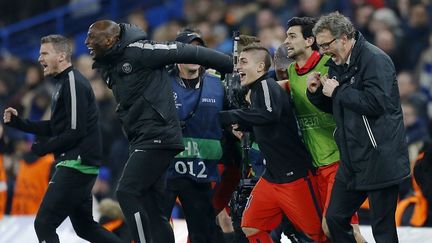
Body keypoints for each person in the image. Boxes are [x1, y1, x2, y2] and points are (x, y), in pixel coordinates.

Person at [85, 20, 233, 243]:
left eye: (91, 37)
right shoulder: (109, 63)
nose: (86, 42)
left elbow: (183, 51)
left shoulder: (139, 51)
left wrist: (230, 65)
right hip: (141, 138)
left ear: (109, 40)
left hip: (158, 136)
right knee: (153, 209)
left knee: (127, 192)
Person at [3, 35, 122, 243]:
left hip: (76, 163)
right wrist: (19, 123)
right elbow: (56, 127)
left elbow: (75, 131)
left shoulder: (73, 82)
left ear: (61, 56)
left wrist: (43, 148)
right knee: (85, 228)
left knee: (44, 223)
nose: (40, 59)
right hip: (77, 163)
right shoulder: (62, 84)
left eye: (44, 53)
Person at [307, 12, 410, 243]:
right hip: (352, 159)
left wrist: (337, 91)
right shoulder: (337, 62)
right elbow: (340, 106)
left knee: (382, 229)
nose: (323, 52)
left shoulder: (375, 59)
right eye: (320, 46)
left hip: (380, 157)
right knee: (334, 219)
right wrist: (316, 94)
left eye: (326, 45)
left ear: (344, 38)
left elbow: (377, 103)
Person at [219, 45, 328, 243]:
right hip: (272, 177)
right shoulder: (257, 90)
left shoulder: (265, 85)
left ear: (260, 67)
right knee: (251, 226)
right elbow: (271, 123)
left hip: (294, 176)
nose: (238, 68)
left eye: (244, 62)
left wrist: (228, 116)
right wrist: (244, 124)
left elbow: (269, 114)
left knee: (317, 235)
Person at [283, 17, 365, 242]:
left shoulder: (329, 65)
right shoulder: (291, 71)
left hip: (339, 160)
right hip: (316, 165)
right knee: (327, 232)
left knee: (338, 226)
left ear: (310, 40)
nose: (286, 42)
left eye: (292, 36)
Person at [163, 29, 225, 243]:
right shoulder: (160, 81)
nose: (195, 54)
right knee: (157, 229)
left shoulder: (218, 84)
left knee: (204, 234)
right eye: (189, 49)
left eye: (199, 49)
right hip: (165, 169)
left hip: (200, 172)